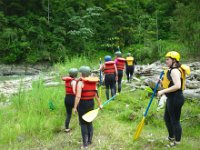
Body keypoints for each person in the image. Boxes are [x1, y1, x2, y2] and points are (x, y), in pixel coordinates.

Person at [158, 51, 190, 147]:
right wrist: (162, 83)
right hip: (171, 97)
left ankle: (177, 142)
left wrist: (163, 91)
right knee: (167, 118)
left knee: (174, 120)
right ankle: (171, 137)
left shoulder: (175, 71)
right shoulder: (172, 70)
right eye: (166, 59)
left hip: (176, 98)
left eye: (168, 59)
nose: (166, 61)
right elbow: (171, 84)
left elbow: (177, 86)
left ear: (174, 60)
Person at [73, 66, 102, 149]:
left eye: (80, 73)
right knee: (89, 121)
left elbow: (78, 96)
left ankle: (85, 144)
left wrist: (75, 107)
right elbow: (96, 95)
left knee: (83, 124)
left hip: (82, 104)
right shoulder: (94, 82)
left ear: (82, 73)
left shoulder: (80, 83)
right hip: (91, 104)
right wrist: (99, 104)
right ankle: (89, 140)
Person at [62, 68, 78, 132]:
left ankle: (66, 128)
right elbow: (74, 91)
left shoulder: (67, 80)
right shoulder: (73, 81)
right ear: (76, 74)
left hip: (67, 98)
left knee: (68, 114)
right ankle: (81, 124)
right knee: (80, 112)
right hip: (73, 98)